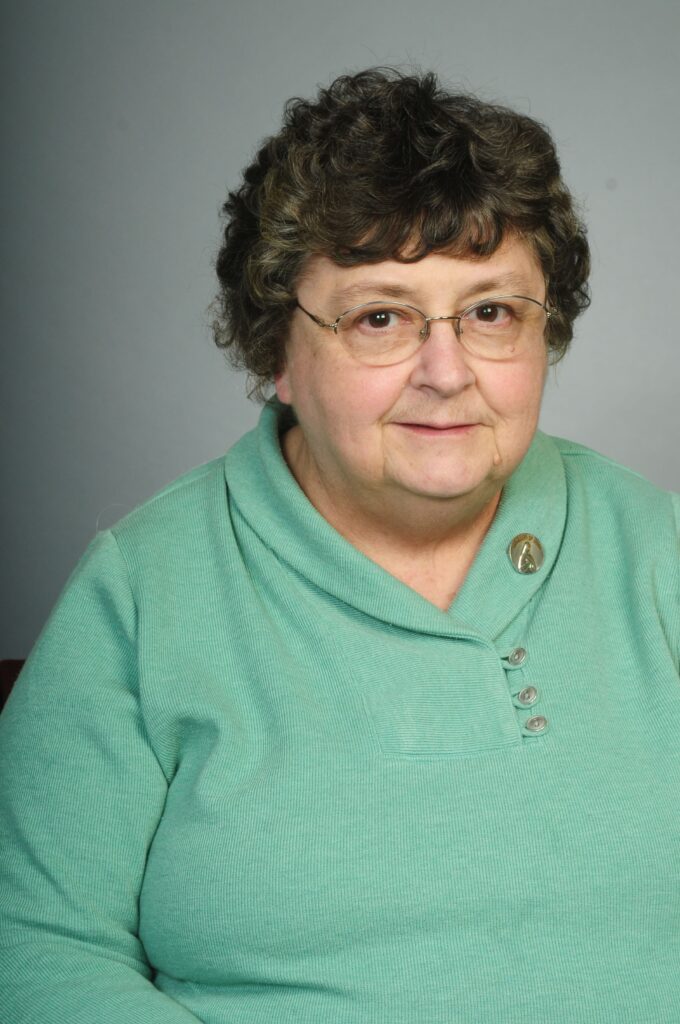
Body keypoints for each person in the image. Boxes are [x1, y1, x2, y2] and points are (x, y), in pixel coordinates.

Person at [0, 68, 678, 1024]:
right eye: (380, 317)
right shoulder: (143, 591)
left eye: (490, 312)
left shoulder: (658, 553)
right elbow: (35, 942)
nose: (446, 372)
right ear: (276, 349)